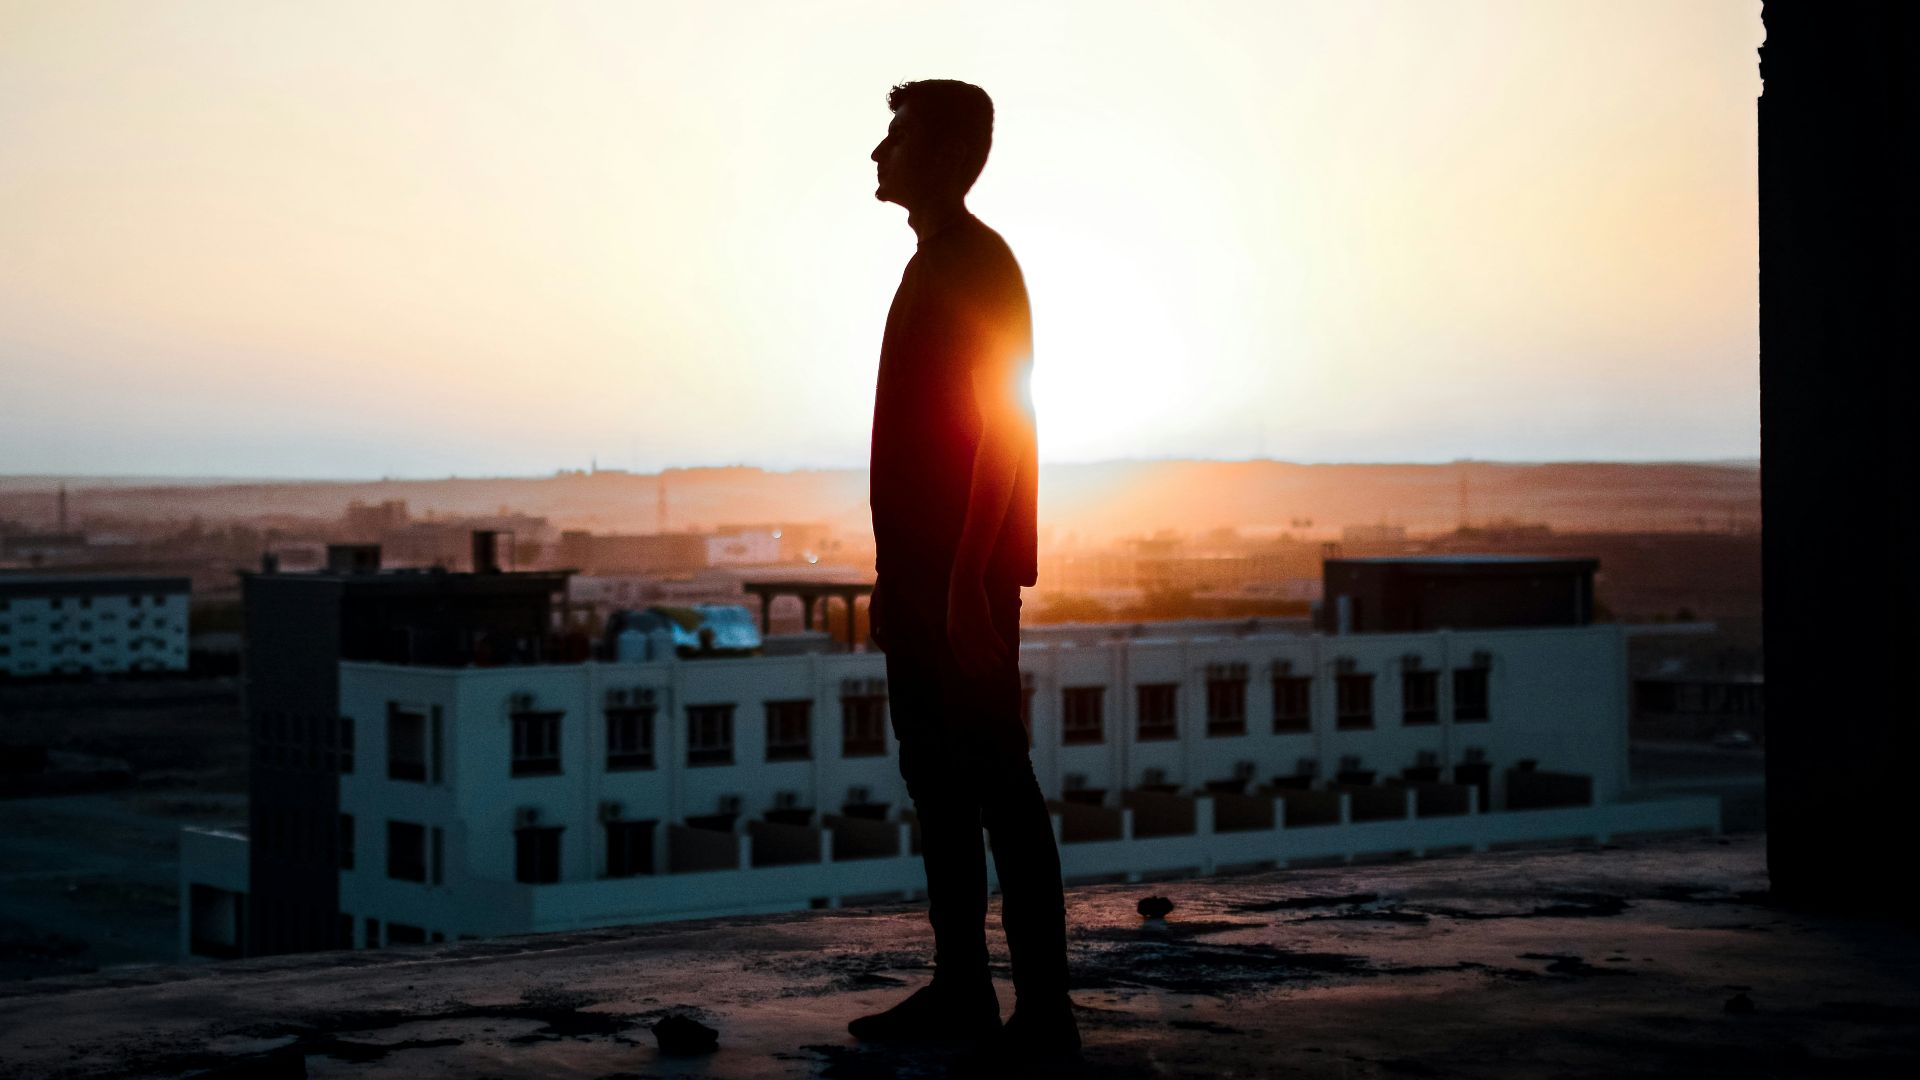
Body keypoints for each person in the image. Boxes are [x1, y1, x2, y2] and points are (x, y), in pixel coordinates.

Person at [848, 79, 1078, 1060]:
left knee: (998, 787)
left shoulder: (979, 265)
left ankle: (1045, 1013)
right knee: (937, 784)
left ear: (942, 155)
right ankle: (960, 991)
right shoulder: (935, 265)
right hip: (921, 581)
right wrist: (899, 586)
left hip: (960, 584)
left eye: (894, 137)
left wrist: (963, 582)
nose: (875, 153)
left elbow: (1003, 432)